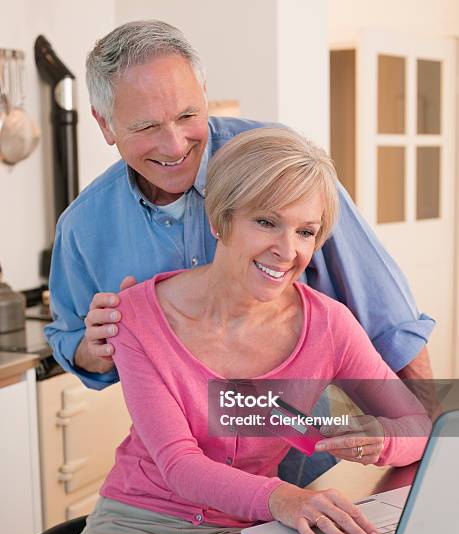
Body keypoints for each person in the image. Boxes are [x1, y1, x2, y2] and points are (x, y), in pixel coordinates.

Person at [45, 20, 435, 487]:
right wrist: (95, 349)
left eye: (188, 116)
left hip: (302, 468)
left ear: (205, 93)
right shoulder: (83, 228)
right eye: (147, 126)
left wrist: (427, 457)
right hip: (175, 487)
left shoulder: (280, 168)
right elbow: (72, 344)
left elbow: (391, 323)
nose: (175, 146)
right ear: (105, 124)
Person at [75, 128, 430, 534]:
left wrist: (377, 437)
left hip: (236, 525)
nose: (288, 251)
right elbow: (179, 464)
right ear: (221, 221)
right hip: (133, 519)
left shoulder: (329, 325)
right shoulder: (136, 316)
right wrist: (285, 499)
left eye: (306, 231)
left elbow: (419, 426)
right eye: (266, 222)